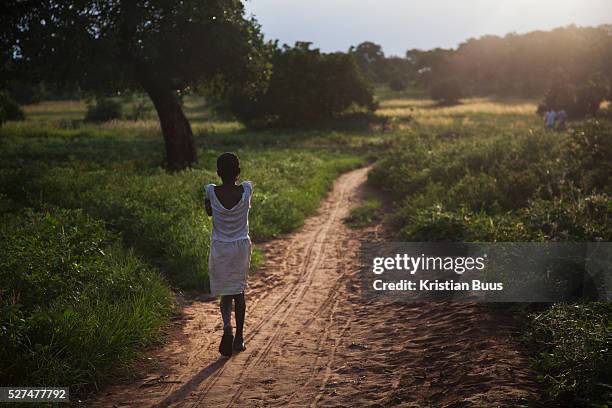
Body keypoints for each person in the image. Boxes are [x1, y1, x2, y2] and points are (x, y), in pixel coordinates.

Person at [204, 152, 253, 357]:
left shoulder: (210, 191)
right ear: (239, 172)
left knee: (225, 292)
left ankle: (226, 327)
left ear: (218, 173)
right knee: (239, 293)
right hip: (240, 247)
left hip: (220, 247)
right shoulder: (247, 190)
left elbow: (209, 212)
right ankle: (239, 338)